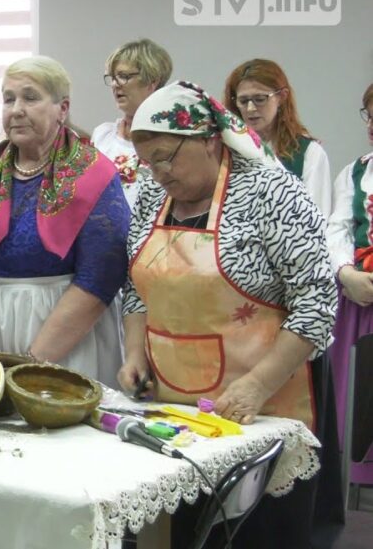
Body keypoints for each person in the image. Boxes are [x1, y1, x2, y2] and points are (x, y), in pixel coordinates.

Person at [119, 80, 339, 548]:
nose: (157, 172)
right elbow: (134, 287)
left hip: (264, 403)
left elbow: (317, 303)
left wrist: (257, 385)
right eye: (147, 161)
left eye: (166, 157)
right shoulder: (151, 197)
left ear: (208, 140)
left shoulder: (272, 192)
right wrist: (134, 354)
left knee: (253, 534)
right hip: (175, 405)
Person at [0, 56, 128, 385]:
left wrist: (31, 365)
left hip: (67, 340)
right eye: (8, 99)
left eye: (30, 97)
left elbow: (101, 276)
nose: (16, 109)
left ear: (62, 108)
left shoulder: (94, 174)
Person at [326, 82, 373, 489]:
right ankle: (353, 483)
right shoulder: (355, 171)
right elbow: (337, 229)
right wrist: (346, 273)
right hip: (360, 299)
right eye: (370, 113)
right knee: (357, 398)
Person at [224, 58, 332, 215]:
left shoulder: (309, 153)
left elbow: (317, 218)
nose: (251, 108)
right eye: (243, 100)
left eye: (260, 99)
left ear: (281, 97)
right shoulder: (225, 149)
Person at [91, 38, 173, 208]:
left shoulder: (173, 139)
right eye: (112, 77)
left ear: (152, 81)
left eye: (123, 76)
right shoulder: (102, 135)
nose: (115, 84)